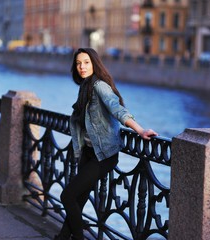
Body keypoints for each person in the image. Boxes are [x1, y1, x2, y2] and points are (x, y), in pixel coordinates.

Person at [54, 48, 158, 240]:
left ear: (94, 63)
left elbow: (117, 109)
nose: (82, 67)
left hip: (103, 156)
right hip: (88, 152)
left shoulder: (99, 86)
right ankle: (62, 237)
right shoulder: (85, 87)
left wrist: (140, 130)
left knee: (67, 196)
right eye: (78, 63)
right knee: (79, 198)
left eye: (86, 62)